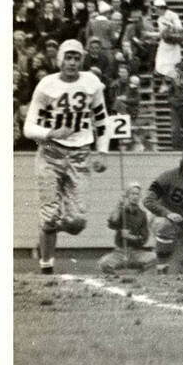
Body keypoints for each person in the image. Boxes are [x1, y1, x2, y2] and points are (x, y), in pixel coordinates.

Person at [24, 39, 110, 274]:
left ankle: (46, 229)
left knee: (77, 222)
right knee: (50, 213)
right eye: (68, 57)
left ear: (82, 60)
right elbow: (28, 127)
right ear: (60, 59)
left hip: (80, 155)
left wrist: (102, 150)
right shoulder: (47, 85)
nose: (72, 62)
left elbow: (102, 119)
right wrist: (52, 132)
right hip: (51, 153)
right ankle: (46, 266)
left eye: (76, 58)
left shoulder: (91, 83)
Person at [97, 182, 156, 274]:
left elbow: (144, 238)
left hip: (136, 253)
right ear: (127, 195)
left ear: (140, 196)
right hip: (120, 253)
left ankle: (139, 277)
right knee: (103, 263)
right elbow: (112, 223)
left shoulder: (142, 215)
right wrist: (119, 205)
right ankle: (117, 278)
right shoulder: (121, 212)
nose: (135, 196)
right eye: (132, 193)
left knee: (154, 258)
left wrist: (130, 237)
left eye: (137, 194)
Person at [153, 0, 183, 90]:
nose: (155, 11)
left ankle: (175, 85)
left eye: (156, 9)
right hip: (164, 44)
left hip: (173, 44)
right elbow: (162, 34)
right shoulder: (159, 19)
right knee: (161, 64)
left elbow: (179, 28)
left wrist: (170, 26)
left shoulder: (173, 15)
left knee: (173, 65)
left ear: (161, 8)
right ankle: (164, 84)